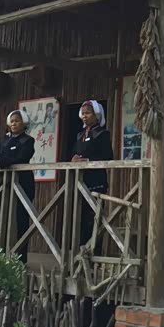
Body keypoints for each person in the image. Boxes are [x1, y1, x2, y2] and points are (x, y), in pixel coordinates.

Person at [0, 110, 35, 264]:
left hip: (23, 183)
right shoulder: (3, 140)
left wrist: (1, 161)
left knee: (22, 220)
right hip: (5, 184)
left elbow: (22, 157)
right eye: (12, 121)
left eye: (17, 121)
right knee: (3, 217)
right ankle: (1, 254)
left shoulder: (28, 140)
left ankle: (21, 258)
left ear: (24, 124)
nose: (14, 124)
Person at [72, 100, 113, 249]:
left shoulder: (102, 133)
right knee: (81, 217)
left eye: (88, 113)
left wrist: (88, 160)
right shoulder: (79, 135)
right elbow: (75, 153)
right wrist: (74, 158)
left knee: (94, 218)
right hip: (81, 181)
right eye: (83, 113)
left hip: (96, 180)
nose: (84, 116)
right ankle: (81, 251)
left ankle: (94, 253)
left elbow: (108, 156)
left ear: (97, 115)